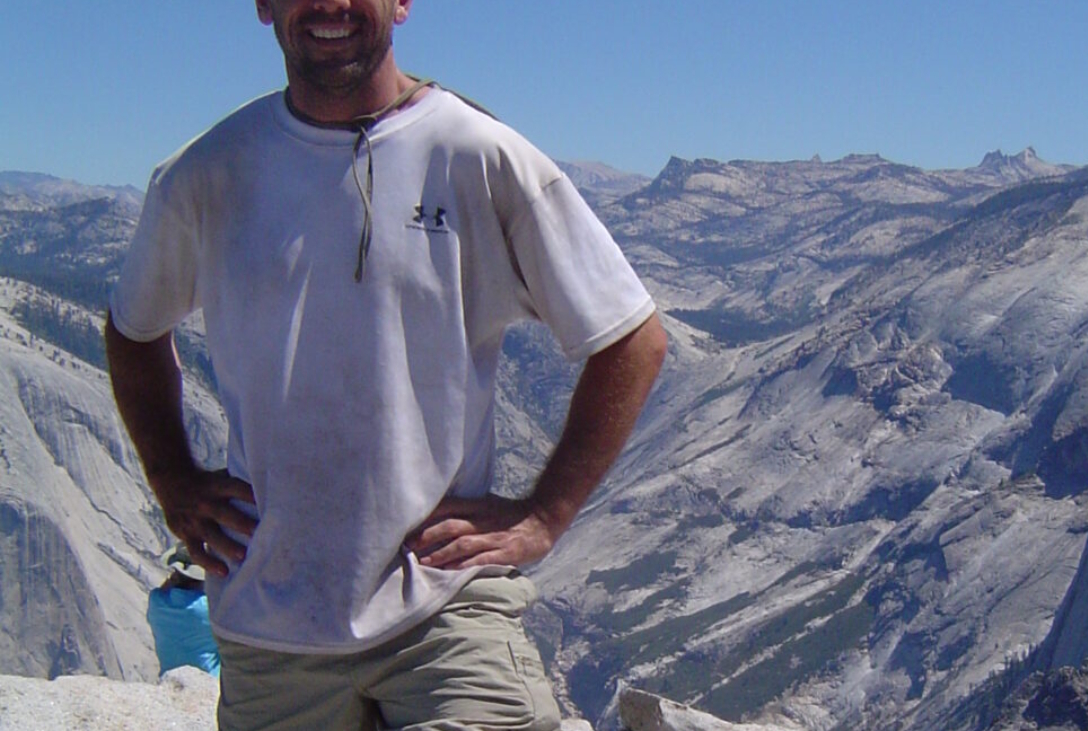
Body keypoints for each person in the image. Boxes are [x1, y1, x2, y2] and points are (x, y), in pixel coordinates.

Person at [104, 0, 667, 728]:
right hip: (271, 622)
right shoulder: (207, 173)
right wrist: (169, 474)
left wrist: (544, 513)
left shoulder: (476, 154)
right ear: (264, 5)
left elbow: (632, 335)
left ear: (402, 4)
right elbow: (132, 330)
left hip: (443, 608)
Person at [147, 544, 222, 677]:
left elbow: (164, 589)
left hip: (169, 677)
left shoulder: (156, 601)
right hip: (211, 682)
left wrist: (176, 578)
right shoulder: (210, 609)